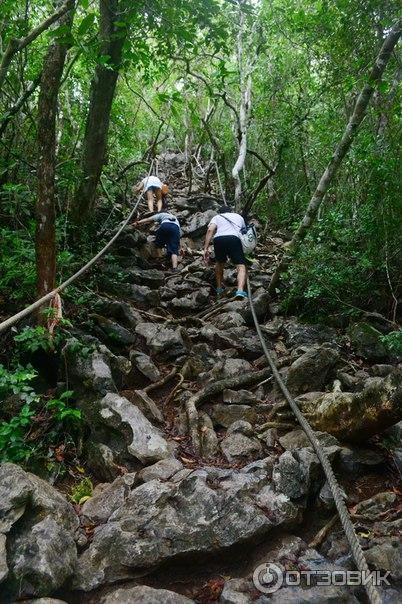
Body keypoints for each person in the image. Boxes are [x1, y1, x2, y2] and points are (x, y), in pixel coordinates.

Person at [203, 205, 248, 299]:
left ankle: (219, 289)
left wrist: (206, 248)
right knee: (240, 265)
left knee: (220, 263)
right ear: (230, 211)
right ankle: (240, 290)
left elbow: (210, 230)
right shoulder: (238, 216)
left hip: (219, 240)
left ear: (220, 212)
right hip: (234, 238)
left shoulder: (217, 217)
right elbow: (244, 231)